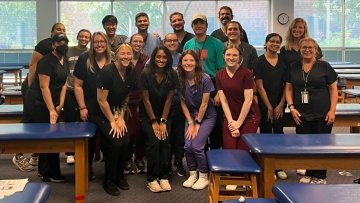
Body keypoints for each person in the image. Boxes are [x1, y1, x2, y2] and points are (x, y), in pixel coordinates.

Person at [13, 23, 66, 172]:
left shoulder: (62, 50)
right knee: (29, 123)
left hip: (45, 89)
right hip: (34, 87)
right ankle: (17, 154)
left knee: (42, 125)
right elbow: (32, 68)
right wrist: (32, 91)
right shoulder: (43, 46)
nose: (61, 32)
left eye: (63, 30)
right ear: (51, 33)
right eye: (58, 29)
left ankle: (36, 156)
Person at [285, 37, 338, 184]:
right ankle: (309, 172)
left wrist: (332, 110)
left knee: (322, 145)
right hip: (301, 113)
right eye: (304, 48)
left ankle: (320, 176)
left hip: (322, 113)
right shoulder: (294, 66)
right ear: (300, 50)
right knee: (305, 144)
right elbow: (288, 88)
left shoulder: (324, 66)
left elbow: (333, 89)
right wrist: (291, 107)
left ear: (315, 50)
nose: (307, 50)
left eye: (310, 47)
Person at [280, 18, 323, 176]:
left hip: (312, 92)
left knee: (312, 129)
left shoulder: (311, 45)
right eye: (295, 28)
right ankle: (288, 162)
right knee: (299, 127)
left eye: (300, 28)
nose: (297, 30)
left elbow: (320, 64)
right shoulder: (285, 49)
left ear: (304, 29)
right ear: (291, 29)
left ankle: (311, 164)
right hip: (293, 88)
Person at [25, 34, 69, 182]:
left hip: (54, 100)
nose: (63, 44)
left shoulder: (65, 60)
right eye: (59, 42)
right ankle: (50, 173)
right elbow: (44, 87)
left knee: (52, 134)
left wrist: (60, 105)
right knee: (49, 135)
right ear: (53, 45)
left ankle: (46, 171)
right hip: (39, 101)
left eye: (65, 41)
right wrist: (51, 109)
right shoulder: (45, 61)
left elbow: (63, 84)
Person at [96, 43, 136, 196]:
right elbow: (101, 100)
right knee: (115, 143)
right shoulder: (107, 72)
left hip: (118, 111)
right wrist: (113, 120)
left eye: (129, 53)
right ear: (116, 55)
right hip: (101, 113)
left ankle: (120, 176)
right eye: (123, 53)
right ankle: (109, 180)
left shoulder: (131, 71)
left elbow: (126, 96)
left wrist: (121, 117)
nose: (126, 56)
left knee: (126, 142)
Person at [74, 31, 112, 181]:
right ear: (92, 43)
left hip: (108, 109)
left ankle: (111, 172)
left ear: (107, 43)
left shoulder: (113, 59)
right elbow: (77, 85)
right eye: (96, 42)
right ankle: (86, 168)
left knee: (109, 142)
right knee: (88, 143)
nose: (99, 44)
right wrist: (82, 108)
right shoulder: (84, 59)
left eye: (102, 41)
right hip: (89, 108)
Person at [183, 13, 225, 150]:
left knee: (215, 125)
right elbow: (185, 66)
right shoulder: (188, 44)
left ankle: (214, 155)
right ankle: (200, 151)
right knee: (197, 118)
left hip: (212, 83)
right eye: (196, 23)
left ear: (207, 26)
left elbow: (221, 70)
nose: (199, 25)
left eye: (202, 23)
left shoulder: (216, 44)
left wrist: (219, 92)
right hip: (193, 83)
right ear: (192, 26)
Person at [139, 46, 177, 193]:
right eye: (158, 57)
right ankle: (151, 178)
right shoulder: (145, 74)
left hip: (165, 114)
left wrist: (163, 122)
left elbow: (169, 100)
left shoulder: (172, 74)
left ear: (168, 59)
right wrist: (154, 122)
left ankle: (164, 176)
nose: (161, 60)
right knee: (154, 142)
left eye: (164, 57)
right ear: (154, 58)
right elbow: (146, 100)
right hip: (148, 115)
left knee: (165, 142)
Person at [178, 50, 216, 190]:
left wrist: (198, 123)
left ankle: (204, 175)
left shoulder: (205, 78)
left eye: (191, 60)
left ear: (196, 63)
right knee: (187, 146)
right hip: (191, 117)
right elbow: (182, 102)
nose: (188, 63)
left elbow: (205, 104)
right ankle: (193, 173)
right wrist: (190, 123)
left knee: (197, 146)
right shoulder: (180, 79)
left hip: (206, 116)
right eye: (185, 60)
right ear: (181, 63)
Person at [254, 33, 287, 180]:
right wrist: (268, 107)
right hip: (264, 102)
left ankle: (279, 166)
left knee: (279, 133)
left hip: (280, 101)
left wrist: (280, 105)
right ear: (266, 43)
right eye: (272, 41)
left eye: (277, 42)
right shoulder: (259, 61)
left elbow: (287, 85)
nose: (274, 44)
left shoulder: (284, 61)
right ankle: (267, 166)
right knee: (266, 133)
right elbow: (259, 87)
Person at [216, 45, 260, 150]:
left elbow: (248, 101)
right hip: (230, 116)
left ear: (240, 57)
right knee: (229, 149)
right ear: (223, 56)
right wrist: (231, 122)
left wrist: (238, 123)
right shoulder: (219, 74)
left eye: (235, 55)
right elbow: (224, 100)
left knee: (242, 150)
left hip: (249, 117)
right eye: (228, 54)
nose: (231, 58)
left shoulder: (246, 73)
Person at [64, 29, 91, 165]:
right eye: (82, 36)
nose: (84, 39)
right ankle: (69, 153)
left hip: (82, 91)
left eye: (87, 37)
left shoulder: (89, 53)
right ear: (77, 37)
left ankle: (81, 150)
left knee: (82, 121)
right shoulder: (68, 51)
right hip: (69, 90)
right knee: (70, 121)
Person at [123, 33, 149, 175]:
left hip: (142, 100)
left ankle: (139, 158)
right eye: (135, 41)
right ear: (130, 43)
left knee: (140, 132)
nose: (138, 44)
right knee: (129, 132)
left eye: (140, 42)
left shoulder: (146, 60)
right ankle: (127, 159)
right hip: (127, 101)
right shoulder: (124, 59)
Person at [163, 33, 186, 176]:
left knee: (179, 135)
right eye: (168, 40)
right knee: (167, 135)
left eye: (174, 40)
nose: (172, 42)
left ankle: (178, 161)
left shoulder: (182, 58)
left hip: (180, 102)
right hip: (163, 103)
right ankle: (166, 163)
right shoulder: (159, 58)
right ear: (164, 43)